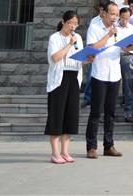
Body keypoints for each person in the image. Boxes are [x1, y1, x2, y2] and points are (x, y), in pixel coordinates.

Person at [85, 1, 133, 159]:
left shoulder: (117, 29)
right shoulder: (95, 28)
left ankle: (109, 145)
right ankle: (91, 147)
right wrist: (108, 35)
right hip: (100, 74)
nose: (114, 17)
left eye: (116, 15)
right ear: (104, 13)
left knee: (111, 112)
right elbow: (92, 48)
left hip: (114, 75)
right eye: (112, 14)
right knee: (96, 112)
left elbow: (125, 48)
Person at [45, 11, 88, 164]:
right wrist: (69, 44)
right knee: (57, 115)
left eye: (76, 24)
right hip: (59, 79)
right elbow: (55, 58)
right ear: (63, 22)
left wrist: (89, 58)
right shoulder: (55, 38)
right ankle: (55, 153)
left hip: (74, 78)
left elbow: (80, 59)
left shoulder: (78, 38)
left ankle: (65, 152)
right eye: (70, 23)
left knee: (70, 115)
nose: (73, 26)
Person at [117, 7, 133, 123]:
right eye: (122, 18)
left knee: (128, 85)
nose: (124, 21)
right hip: (114, 57)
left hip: (127, 56)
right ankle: (107, 113)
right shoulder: (114, 28)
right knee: (111, 84)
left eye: (127, 18)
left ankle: (129, 113)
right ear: (119, 16)